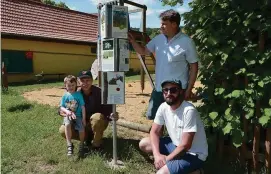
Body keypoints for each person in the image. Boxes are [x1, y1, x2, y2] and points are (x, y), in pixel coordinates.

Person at [128, 9, 199, 120]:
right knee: (153, 117)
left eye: (164, 24)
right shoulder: (158, 39)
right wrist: (133, 42)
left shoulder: (186, 42)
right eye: (161, 23)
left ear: (174, 24)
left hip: (177, 91)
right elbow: (143, 51)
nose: (161, 26)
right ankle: (158, 136)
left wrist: (189, 90)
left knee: (177, 120)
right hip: (159, 89)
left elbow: (194, 66)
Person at [138, 79, 208, 174]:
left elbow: (186, 145)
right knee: (144, 143)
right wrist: (157, 155)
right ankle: (183, 168)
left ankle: (196, 170)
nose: (168, 93)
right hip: (175, 145)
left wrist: (166, 160)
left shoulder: (188, 111)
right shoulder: (163, 107)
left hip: (193, 154)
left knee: (161, 173)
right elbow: (154, 132)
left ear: (181, 91)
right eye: (165, 90)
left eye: (173, 90)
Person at [59, 70, 118, 151]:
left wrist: (112, 115)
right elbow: (62, 109)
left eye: (88, 80)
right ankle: (86, 139)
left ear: (92, 81)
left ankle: (96, 145)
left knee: (96, 117)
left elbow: (108, 109)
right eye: (82, 81)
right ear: (78, 82)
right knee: (63, 130)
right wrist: (66, 113)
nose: (85, 83)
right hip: (82, 124)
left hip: (97, 122)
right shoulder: (74, 94)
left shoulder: (100, 92)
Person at [60, 75, 86, 157]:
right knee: (67, 124)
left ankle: (82, 144)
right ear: (65, 86)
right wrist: (67, 111)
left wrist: (84, 119)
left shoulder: (79, 95)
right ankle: (69, 145)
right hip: (68, 115)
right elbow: (61, 107)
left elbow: (83, 107)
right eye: (69, 85)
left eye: (73, 85)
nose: (71, 87)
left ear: (76, 85)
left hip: (78, 116)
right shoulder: (65, 95)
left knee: (81, 129)